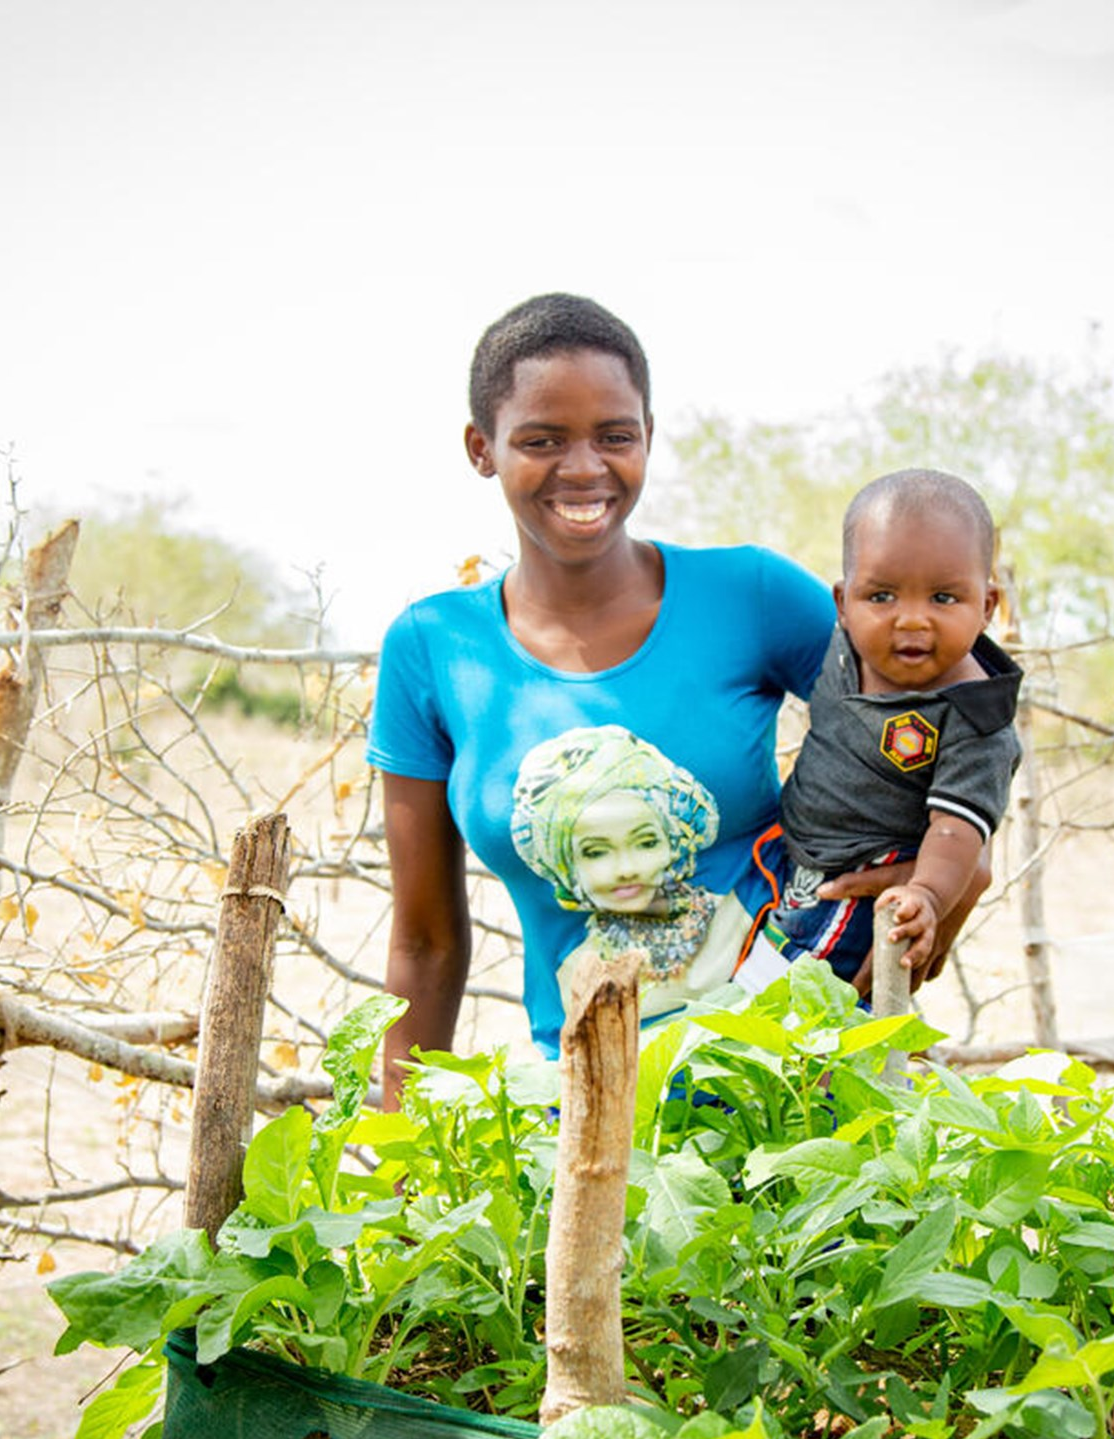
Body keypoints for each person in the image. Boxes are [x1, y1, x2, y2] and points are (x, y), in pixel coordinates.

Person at [366, 293, 834, 1107]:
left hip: (793, 1097)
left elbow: (928, 717)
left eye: (615, 436)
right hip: (581, 1112)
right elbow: (428, 943)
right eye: (542, 440)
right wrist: (400, 1159)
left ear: (648, 436)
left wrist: (954, 866)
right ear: (482, 449)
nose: (584, 468)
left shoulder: (752, 595)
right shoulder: (435, 648)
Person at [761, 468, 1023, 996]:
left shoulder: (974, 717)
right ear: (843, 603)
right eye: (881, 597)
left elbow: (957, 829)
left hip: (867, 887)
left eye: (944, 599)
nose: (910, 620)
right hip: (790, 864)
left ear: (987, 607)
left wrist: (926, 894)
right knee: (755, 983)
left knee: (808, 1011)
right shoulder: (844, 648)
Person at [509, 725, 757, 1023]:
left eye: (646, 842)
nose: (626, 869)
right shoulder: (575, 973)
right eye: (596, 852)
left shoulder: (742, 913)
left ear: (674, 841)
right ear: (566, 867)